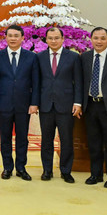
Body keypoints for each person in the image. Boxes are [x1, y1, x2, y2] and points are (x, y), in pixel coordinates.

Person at [0, 24, 39, 181]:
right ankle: (7, 168)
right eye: (10, 36)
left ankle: (21, 168)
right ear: (5, 37)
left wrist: (34, 103)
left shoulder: (31, 57)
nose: (13, 38)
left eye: (16, 36)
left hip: (24, 104)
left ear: (22, 38)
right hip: (4, 103)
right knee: (5, 137)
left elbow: (36, 82)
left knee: (22, 138)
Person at [37, 27, 82, 183]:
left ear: (63, 39)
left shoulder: (73, 57)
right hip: (46, 105)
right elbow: (36, 83)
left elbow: (79, 82)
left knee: (67, 140)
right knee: (46, 140)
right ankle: (47, 170)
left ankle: (66, 171)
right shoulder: (40, 57)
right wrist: (35, 103)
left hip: (66, 105)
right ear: (46, 40)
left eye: (57, 38)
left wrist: (77, 102)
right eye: (50, 38)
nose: (54, 41)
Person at [80, 27, 107, 188]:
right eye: (96, 38)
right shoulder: (84, 57)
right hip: (90, 105)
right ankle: (96, 174)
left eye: (102, 38)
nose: (99, 41)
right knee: (93, 142)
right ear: (91, 39)